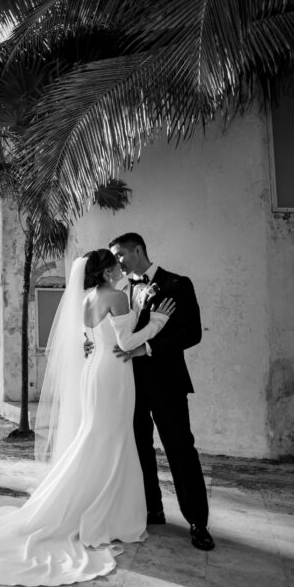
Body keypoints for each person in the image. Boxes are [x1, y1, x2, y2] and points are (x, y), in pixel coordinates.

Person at [0, 250, 174, 586]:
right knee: (109, 437)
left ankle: (93, 506)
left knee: (99, 435)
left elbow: (83, 341)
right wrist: (158, 320)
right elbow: (126, 341)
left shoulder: (85, 299)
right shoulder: (115, 296)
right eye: (115, 266)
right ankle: (104, 514)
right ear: (104, 271)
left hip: (94, 371)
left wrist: (95, 344)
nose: (120, 269)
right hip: (113, 373)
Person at [107, 232, 214, 551]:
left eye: (120, 255)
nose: (118, 263)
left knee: (180, 448)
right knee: (139, 448)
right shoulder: (121, 288)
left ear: (137, 249)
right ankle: (152, 508)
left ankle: (198, 521)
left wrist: (148, 348)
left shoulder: (178, 284)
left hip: (167, 382)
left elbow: (191, 333)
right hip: (130, 383)